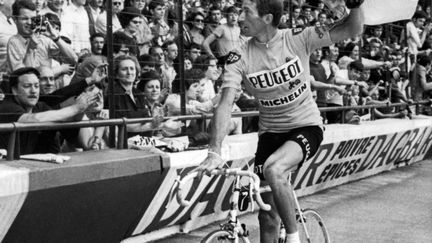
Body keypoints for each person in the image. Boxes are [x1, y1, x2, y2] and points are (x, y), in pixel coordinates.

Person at [195, 0, 366, 243]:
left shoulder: (297, 38)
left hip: (306, 127)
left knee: (274, 169)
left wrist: (355, 5)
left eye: (246, 12)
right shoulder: (239, 56)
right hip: (270, 134)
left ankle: (294, 238)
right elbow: (225, 104)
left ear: (266, 18)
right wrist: (214, 150)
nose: (239, 16)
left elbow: (351, 29)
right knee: (267, 217)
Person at [0, 67, 98, 157]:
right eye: (27, 86)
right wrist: (75, 108)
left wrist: (83, 108)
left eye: (36, 86)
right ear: (14, 90)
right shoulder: (6, 107)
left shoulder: (42, 106)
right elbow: (33, 119)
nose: (33, 91)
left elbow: (64, 120)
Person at [7, 0, 77, 72]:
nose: (30, 22)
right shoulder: (13, 42)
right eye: (25, 19)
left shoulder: (43, 39)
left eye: (33, 19)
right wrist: (30, 49)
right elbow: (24, 76)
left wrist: (56, 38)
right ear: (15, 19)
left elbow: (73, 60)